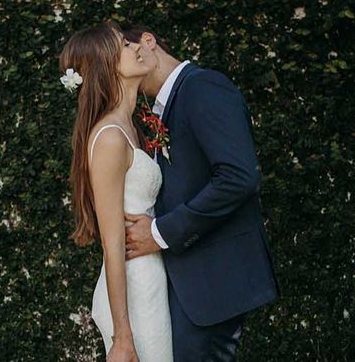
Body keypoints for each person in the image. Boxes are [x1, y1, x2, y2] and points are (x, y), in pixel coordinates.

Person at [121, 24, 279, 361]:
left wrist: (160, 232)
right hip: (188, 278)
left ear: (148, 41)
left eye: (122, 49)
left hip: (213, 280)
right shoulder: (161, 107)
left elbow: (238, 177)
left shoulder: (203, 87)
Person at [59, 21, 173, 361]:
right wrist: (122, 337)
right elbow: (113, 247)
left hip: (151, 278)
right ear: (106, 66)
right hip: (135, 291)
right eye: (124, 46)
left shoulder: (132, 126)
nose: (137, 46)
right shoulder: (109, 137)